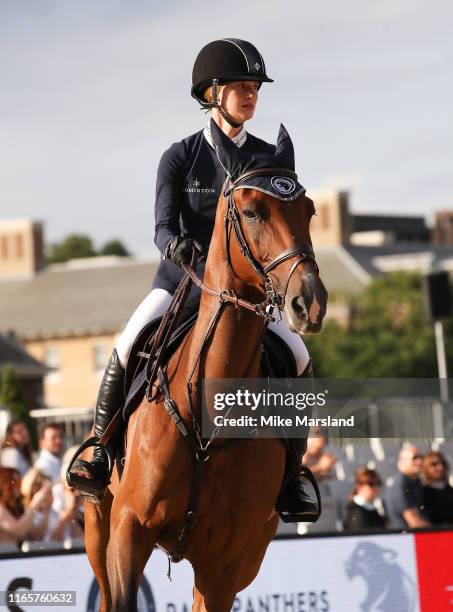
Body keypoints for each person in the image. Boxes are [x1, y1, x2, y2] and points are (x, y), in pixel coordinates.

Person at [68, 38, 318, 521]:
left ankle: (292, 473)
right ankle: (99, 447)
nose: (250, 95)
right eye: (240, 86)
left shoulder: (267, 157)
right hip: (183, 281)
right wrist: (174, 245)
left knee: (301, 357)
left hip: (247, 293)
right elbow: (163, 225)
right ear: (211, 92)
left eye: (255, 88)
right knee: (127, 340)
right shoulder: (180, 156)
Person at [0, 467, 52, 546]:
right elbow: (18, 531)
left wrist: (46, 510)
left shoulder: (17, 508)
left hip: (17, 555)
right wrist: (36, 502)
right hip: (5, 556)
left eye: (20, 482)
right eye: (15, 482)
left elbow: (36, 536)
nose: (19, 486)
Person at [385, 443, 430, 529]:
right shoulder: (401, 483)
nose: (419, 461)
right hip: (407, 538)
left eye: (421, 457)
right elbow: (414, 522)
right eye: (415, 458)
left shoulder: (415, 481)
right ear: (402, 461)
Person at [20, 468, 53, 541]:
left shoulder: (53, 511)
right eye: (36, 485)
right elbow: (36, 537)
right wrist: (37, 503)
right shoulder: (22, 511)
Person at [421, 451, 453, 526]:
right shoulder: (422, 492)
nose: (440, 467)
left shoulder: (450, 491)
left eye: (442, 463)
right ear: (426, 467)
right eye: (434, 464)